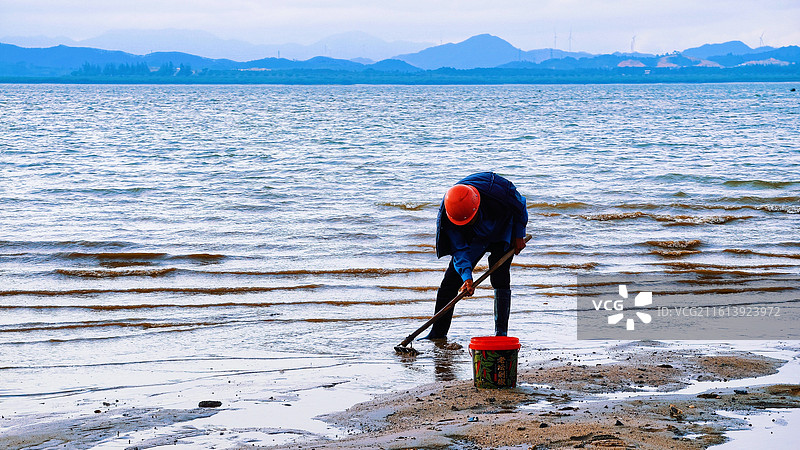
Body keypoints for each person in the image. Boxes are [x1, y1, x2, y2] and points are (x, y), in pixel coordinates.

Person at [424, 172, 528, 339]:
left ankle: (501, 334)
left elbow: (520, 205)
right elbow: (459, 250)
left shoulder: (496, 190)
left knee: (499, 277)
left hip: (502, 227)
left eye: (470, 219)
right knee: (450, 282)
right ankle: (437, 333)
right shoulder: (449, 214)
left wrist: (519, 234)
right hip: (473, 238)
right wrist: (467, 277)